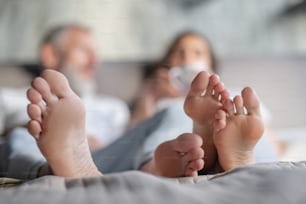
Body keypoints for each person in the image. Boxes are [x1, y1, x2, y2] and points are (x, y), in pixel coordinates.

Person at [26, 69, 264, 178]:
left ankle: (205, 148)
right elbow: (133, 128)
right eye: (178, 55)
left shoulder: (235, 111)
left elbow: (274, 142)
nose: (187, 62)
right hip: (135, 142)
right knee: (173, 113)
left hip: (220, 128)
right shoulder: (137, 102)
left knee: (175, 113)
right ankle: (211, 156)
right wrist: (149, 96)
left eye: (197, 53)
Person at [2, 24, 130, 150]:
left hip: (111, 161)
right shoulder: (8, 99)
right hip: (36, 154)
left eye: (95, 53)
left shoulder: (114, 108)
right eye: (84, 50)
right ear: (51, 54)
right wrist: (26, 128)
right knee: (21, 136)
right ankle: (57, 155)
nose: (94, 61)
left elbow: (132, 145)